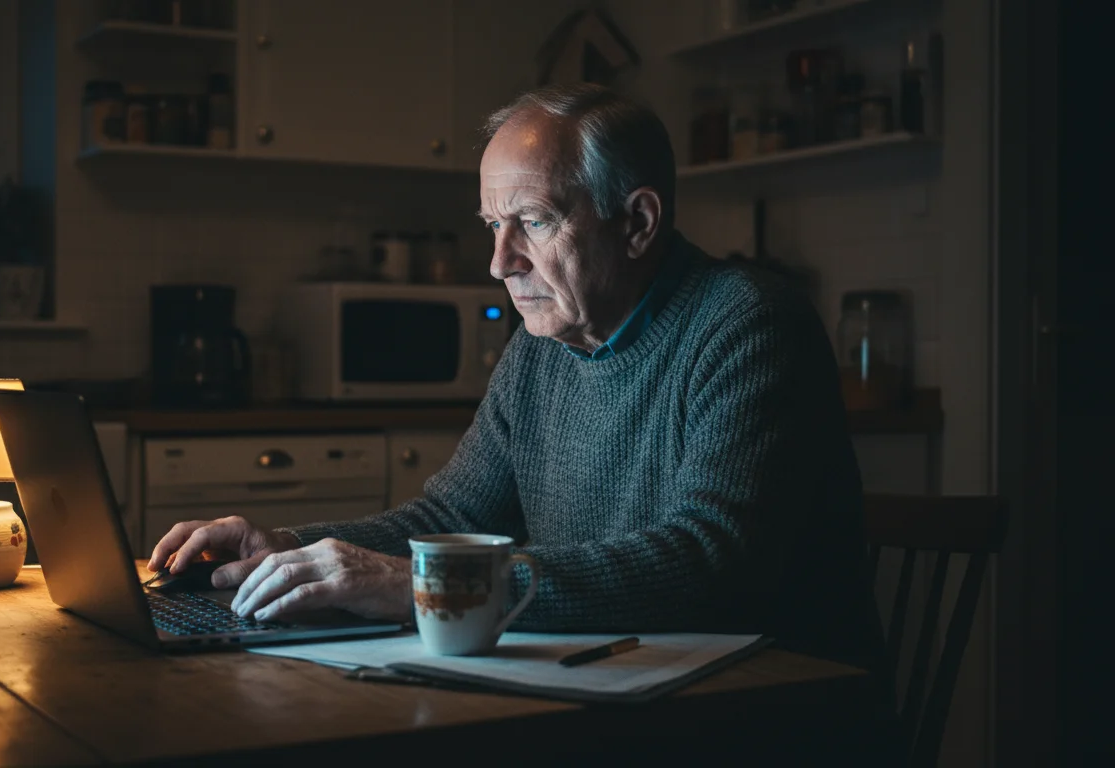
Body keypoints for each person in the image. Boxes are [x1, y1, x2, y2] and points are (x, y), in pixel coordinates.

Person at [148, 83, 883, 669]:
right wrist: (287, 548)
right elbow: (448, 522)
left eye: (531, 222)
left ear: (638, 223)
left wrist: (421, 588)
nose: (499, 263)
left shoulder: (748, 322)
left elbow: (711, 565)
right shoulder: (544, 346)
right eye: (490, 227)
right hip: (621, 687)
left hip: (771, 712)